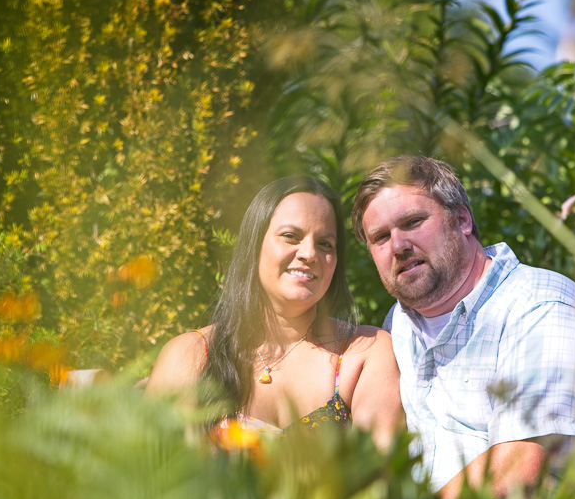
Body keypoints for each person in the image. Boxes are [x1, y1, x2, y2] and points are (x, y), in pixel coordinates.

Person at [352, 155, 575, 499]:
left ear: (462, 220)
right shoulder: (401, 324)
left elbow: (519, 470)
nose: (398, 246)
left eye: (412, 222)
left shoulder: (542, 308)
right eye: (380, 237)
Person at [147, 176, 403, 451]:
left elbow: (378, 473)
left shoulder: (363, 353)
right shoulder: (194, 356)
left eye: (325, 244)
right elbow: (152, 478)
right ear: (254, 246)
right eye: (290, 236)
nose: (308, 253)